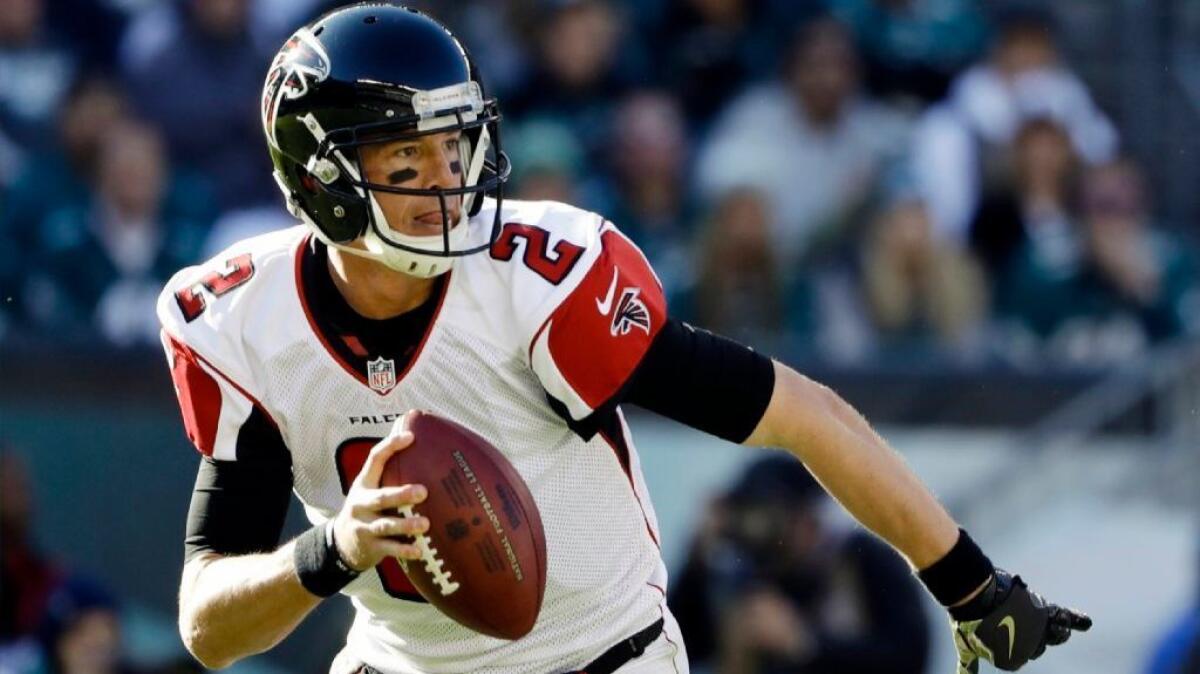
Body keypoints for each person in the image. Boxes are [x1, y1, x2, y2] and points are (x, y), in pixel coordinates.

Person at [156, 5, 1090, 674]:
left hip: (601, 657)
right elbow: (209, 628)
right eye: (408, 164)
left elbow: (800, 413)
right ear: (324, 185)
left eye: (455, 150)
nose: (448, 185)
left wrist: (970, 583)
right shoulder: (246, 321)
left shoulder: (535, 281)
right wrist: (332, 550)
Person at [670, 455, 930, 673]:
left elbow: (909, 656)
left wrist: (805, 644)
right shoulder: (738, 576)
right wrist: (697, 559)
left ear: (808, 517)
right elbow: (670, 652)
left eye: (773, 515)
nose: (763, 532)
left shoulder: (862, 559)